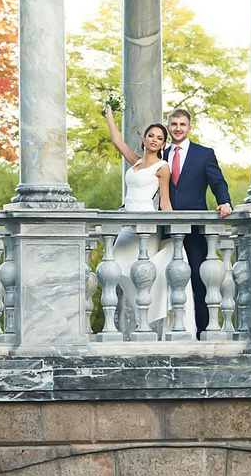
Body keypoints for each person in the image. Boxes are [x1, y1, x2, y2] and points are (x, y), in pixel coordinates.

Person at [100, 104, 192, 336]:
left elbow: (164, 202)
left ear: (163, 144)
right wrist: (109, 115)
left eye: (159, 138)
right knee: (114, 266)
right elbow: (118, 142)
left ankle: (148, 315)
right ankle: (148, 310)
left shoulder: (163, 167)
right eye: (150, 135)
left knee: (142, 272)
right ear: (144, 139)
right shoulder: (136, 163)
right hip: (127, 225)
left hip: (146, 226)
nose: (154, 140)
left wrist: (175, 232)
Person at [162, 107, 233, 334]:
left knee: (198, 280)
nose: (178, 128)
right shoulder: (159, 155)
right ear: (168, 127)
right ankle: (167, 330)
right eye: (174, 124)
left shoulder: (204, 154)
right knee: (163, 280)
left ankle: (204, 331)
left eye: (182, 124)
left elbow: (218, 182)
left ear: (189, 128)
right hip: (164, 228)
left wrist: (224, 201)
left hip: (195, 229)